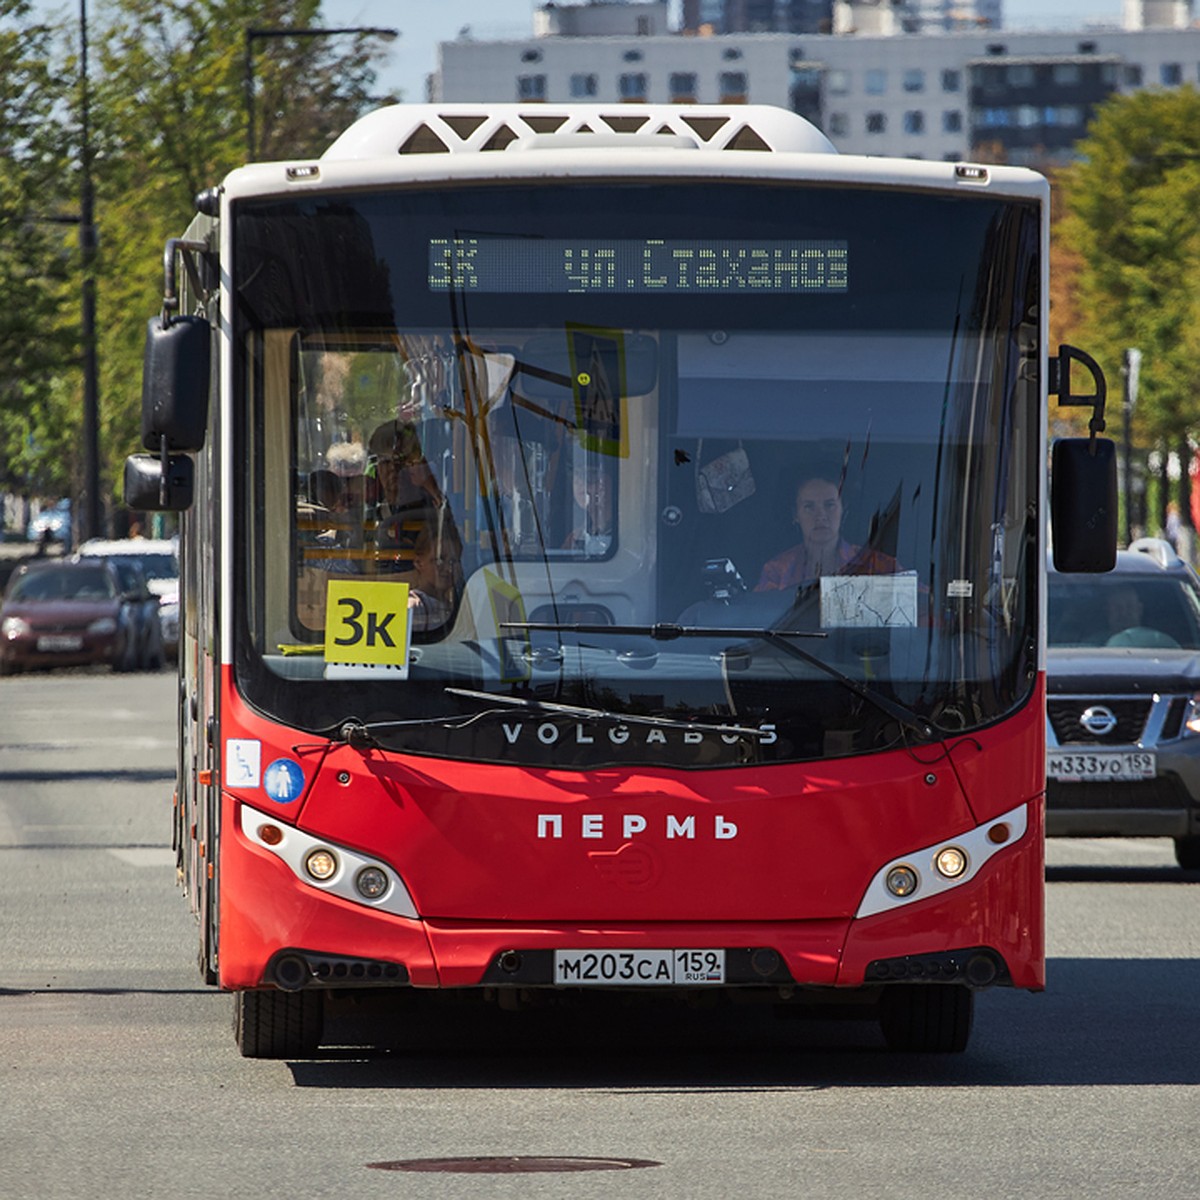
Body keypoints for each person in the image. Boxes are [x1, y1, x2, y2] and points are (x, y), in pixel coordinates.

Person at [755, 473, 897, 592]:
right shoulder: (777, 571)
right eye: (809, 507)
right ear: (795, 515)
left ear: (843, 510)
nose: (821, 515)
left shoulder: (879, 566)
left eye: (829, 505)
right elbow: (759, 618)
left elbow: (917, 606)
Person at [368, 418, 444, 557]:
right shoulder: (370, 514)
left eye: (400, 462)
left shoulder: (433, 509)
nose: (393, 469)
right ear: (377, 467)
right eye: (385, 462)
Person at [562, 461, 614, 554]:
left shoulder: (627, 535)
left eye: (591, 475)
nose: (580, 482)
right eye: (576, 474)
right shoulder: (575, 537)